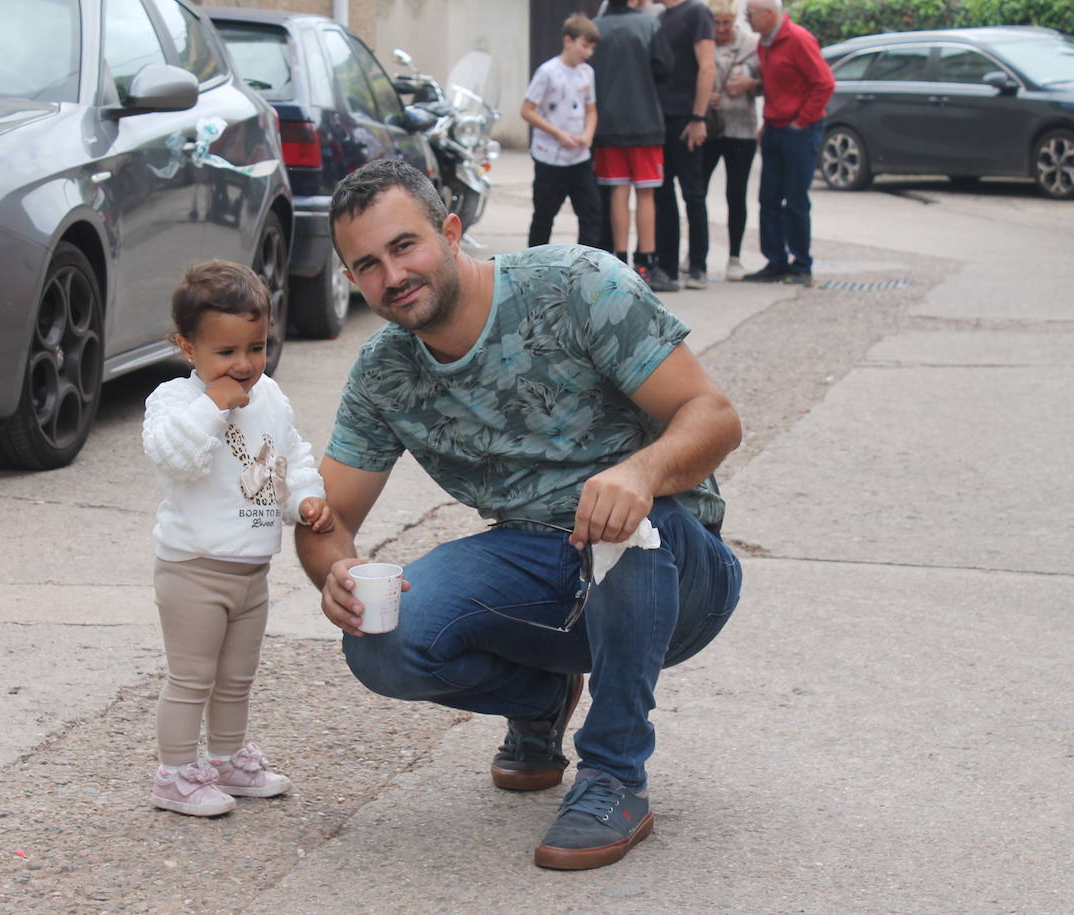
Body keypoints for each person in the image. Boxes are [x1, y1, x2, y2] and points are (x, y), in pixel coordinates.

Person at [297, 160, 744, 870]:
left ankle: (614, 773)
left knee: (625, 528)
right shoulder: (385, 372)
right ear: (354, 280)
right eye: (368, 265)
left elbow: (715, 417)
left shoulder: (575, 286)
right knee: (379, 640)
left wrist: (638, 472)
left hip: (676, 567)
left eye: (405, 245)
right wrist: (337, 572)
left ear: (450, 231)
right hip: (537, 561)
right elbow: (325, 515)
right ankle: (541, 698)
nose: (393, 274)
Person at [141, 260, 335, 817]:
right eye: (226, 353)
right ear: (187, 347)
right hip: (193, 571)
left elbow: (289, 456)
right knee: (192, 677)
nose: (244, 365)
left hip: (251, 571)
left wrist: (304, 498)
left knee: (235, 678)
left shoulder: (270, 396)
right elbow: (175, 458)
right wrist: (213, 405)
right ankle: (175, 773)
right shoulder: (176, 402)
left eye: (256, 346)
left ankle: (227, 759)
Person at [735, 0, 835, 285]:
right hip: (776, 128)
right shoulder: (766, 42)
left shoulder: (799, 39)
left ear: (769, 13)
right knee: (768, 198)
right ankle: (775, 261)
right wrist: (768, 121)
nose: (747, 19)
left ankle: (801, 265)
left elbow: (824, 84)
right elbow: (775, 87)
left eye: (749, 14)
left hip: (799, 130)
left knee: (795, 200)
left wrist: (801, 121)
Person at [589, 0, 677, 292]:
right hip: (645, 121)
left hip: (607, 123)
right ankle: (646, 262)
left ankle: (620, 258)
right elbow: (665, 68)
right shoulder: (648, 23)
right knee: (646, 193)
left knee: (617, 190)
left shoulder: (596, 27)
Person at [521, 13, 603, 250]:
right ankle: (533, 266)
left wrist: (588, 135)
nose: (587, 52)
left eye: (592, 48)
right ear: (568, 40)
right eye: (584, 46)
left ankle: (586, 266)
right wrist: (558, 134)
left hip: (579, 157)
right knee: (544, 215)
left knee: (591, 212)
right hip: (550, 155)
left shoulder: (587, 72)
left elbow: (592, 109)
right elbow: (527, 110)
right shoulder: (547, 72)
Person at [653, 0, 716, 290]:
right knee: (661, 193)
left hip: (686, 119)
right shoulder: (662, 16)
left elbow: (707, 66)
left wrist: (698, 117)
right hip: (659, 119)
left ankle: (698, 266)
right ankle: (667, 266)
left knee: (693, 193)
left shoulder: (696, 12)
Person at [703, 0, 761, 281]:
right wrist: (702, 99)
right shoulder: (701, 39)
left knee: (736, 193)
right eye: (716, 23)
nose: (721, 29)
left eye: (727, 22)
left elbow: (766, 82)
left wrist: (750, 85)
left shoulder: (752, 43)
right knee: (696, 192)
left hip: (741, 127)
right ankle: (696, 254)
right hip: (708, 127)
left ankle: (735, 257)